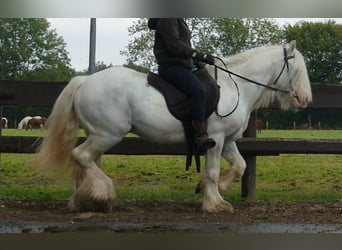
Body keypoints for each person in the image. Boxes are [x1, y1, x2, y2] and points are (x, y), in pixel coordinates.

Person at [148, 18, 216, 153]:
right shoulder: (168, 17)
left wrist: (196, 60)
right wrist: (198, 54)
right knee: (198, 91)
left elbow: (183, 44)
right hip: (171, 67)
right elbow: (174, 44)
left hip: (182, 66)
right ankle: (200, 135)